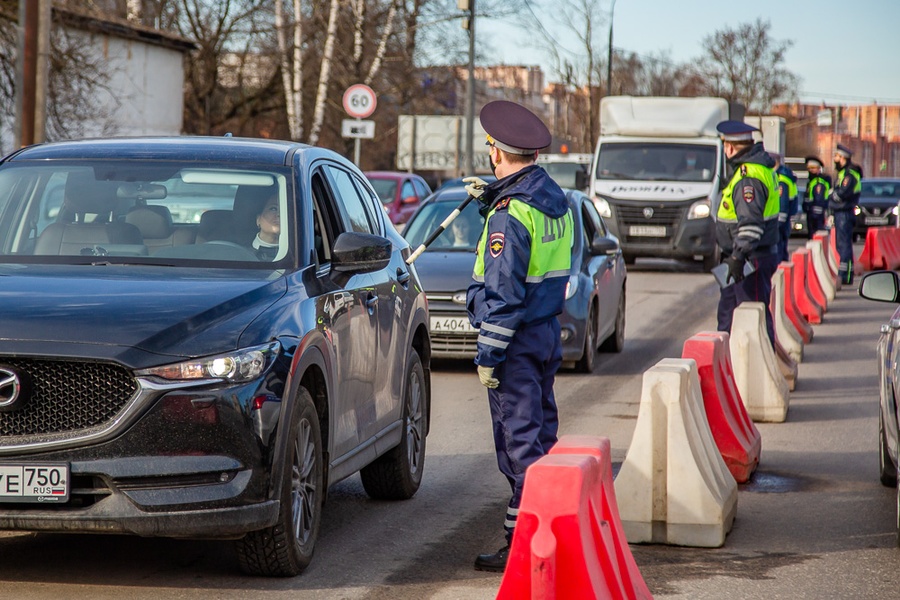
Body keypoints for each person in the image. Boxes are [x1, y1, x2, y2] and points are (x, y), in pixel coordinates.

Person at [461, 100, 573, 573]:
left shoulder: (509, 215)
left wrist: (489, 352)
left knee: (519, 448)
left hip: (516, 343)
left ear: (496, 151)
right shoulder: (553, 199)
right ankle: (541, 536)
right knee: (540, 441)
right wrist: (492, 198)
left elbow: (504, 293)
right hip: (545, 333)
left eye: (490, 147)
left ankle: (526, 550)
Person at [714, 120, 780, 347]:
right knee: (729, 315)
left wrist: (736, 257)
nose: (724, 151)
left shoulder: (747, 177)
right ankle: (730, 372)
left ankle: (760, 376)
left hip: (750, 258)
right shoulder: (756, 169)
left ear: (730, 148)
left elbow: (750, 225)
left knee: (753, 319)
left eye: (725, 146)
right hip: (746, 258)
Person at [829, 143, 862, 284]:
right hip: (840, 212)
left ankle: (846, 276)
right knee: (840, 245)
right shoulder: (843, 174)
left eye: (836, 156)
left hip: (845, 213)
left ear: (843, 158)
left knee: (844, 245)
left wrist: (831, 196)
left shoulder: (850, 175)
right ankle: (844, 273)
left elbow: (841, 194)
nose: (835, 159)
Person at [769, 152, 798, 263]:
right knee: (782, 248)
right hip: (785, 220)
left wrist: (779, 223)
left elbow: (783, 203)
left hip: (781, 221)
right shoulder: (783, 175)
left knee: (779, 250)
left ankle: (781, 275)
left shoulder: (781, 179)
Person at [803, 156, 831, 239]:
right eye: (809, 168)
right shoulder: (812, 181)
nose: (810, 170)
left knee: (815, 236)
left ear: (819, 169)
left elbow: (819, 200)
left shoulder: (819, 182)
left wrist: (815, 215)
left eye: (813, 168)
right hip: (812, 213)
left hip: (816, 216)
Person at [253, 194, 280, 261]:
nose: (279, 214)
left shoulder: (297, 256)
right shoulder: (239, 252)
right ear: (258, 219)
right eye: (273, 209)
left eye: (285, 210)